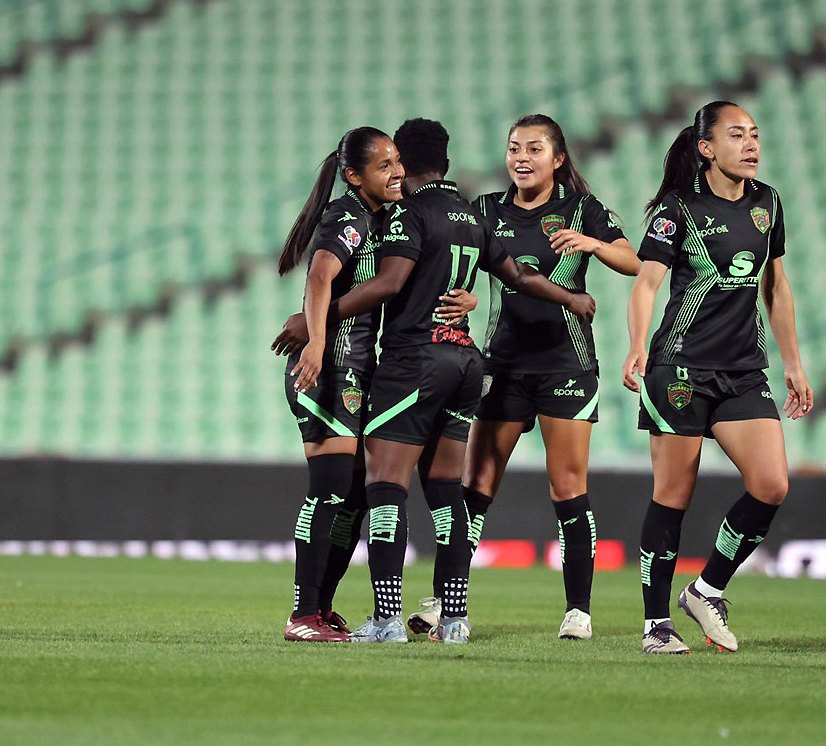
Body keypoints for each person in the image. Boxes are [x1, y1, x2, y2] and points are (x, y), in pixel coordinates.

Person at [321, 118, 595, 645]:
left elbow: (392, 281)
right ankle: (454, 619)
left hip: (414, 362)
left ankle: (386, 619)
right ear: (445, 160)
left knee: (385, 487)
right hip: (467, 365)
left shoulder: (408, 213)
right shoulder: (473, 216)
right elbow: (518, 275)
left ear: (405, 160)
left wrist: (320, 316)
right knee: (446, 495)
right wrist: (571, 298)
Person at [406, 114, 639, 641]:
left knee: (568, 487)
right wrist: (465, 297)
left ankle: (578, 611)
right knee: (475, 487)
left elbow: (634, 260)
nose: (521, 158)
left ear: (557, 159)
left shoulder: (582, 209)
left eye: (534, 148)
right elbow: (460, 263)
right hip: (501, 366)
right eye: (514, 148)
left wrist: (593, 245)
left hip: (566, 366)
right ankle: (447, 599)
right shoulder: (485, 209)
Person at [272, 127, 477, 642]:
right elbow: (320, 276)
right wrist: (316, 341)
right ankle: (303, 614)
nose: (396, 172)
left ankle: (322, 608)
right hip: (330, 367)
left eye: (397, 162)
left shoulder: (385, 217)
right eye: (384, 165)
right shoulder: (346, 216)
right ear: (353, 175)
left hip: (359, 372)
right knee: (329, 492)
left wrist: (466, 299)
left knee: (354, 498)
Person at [623, 101, 813, 654]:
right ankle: (656, 624)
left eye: (755, 134)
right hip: (679, 367)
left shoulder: (768, 203)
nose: (751, 144)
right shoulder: (676, 208)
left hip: (742, 370)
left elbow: (775, 286)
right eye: (737, 135)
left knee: (772, 484)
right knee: (674, 495)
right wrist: (637, 345)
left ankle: (706, 590)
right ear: (706, 148)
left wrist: (794, 364)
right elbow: (646, 284)